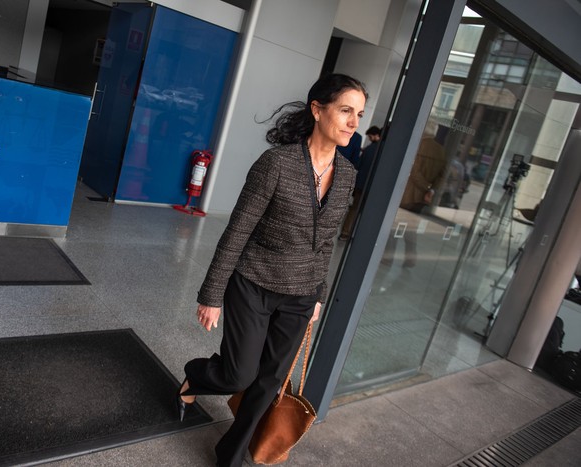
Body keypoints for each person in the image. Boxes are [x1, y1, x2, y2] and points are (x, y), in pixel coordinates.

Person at [177, 73, 367, 467]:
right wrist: (211, 295)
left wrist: (317, 294)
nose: (353, 122)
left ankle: (231, 456)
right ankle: (196, 375)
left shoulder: (347, 174)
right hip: (254, 285)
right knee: (239, 376)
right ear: (318, 110)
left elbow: (326, 241)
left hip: (300, 296)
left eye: (359, 114)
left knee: (268, 384)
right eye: (346, 110)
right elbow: (237, 231)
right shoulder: (276, 164)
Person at [383, 122, 448, 268]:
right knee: (410, 228)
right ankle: (411, 258)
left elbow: (414, 173)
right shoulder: (441, 151)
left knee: (393, 227)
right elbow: (442, 177)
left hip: (407, 195)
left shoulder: (419, 146)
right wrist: (431, 191)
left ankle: (388, 258)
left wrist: (426, 187)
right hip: (423, 198)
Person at [339, 125, 381, 240]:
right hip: (374, 188)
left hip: (361, 185)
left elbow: (357, 165)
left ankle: (345, 233)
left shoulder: (369, 149)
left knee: (354, 210)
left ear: (375, 135)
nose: (369, 138)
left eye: (370, 136)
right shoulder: (383, 151)